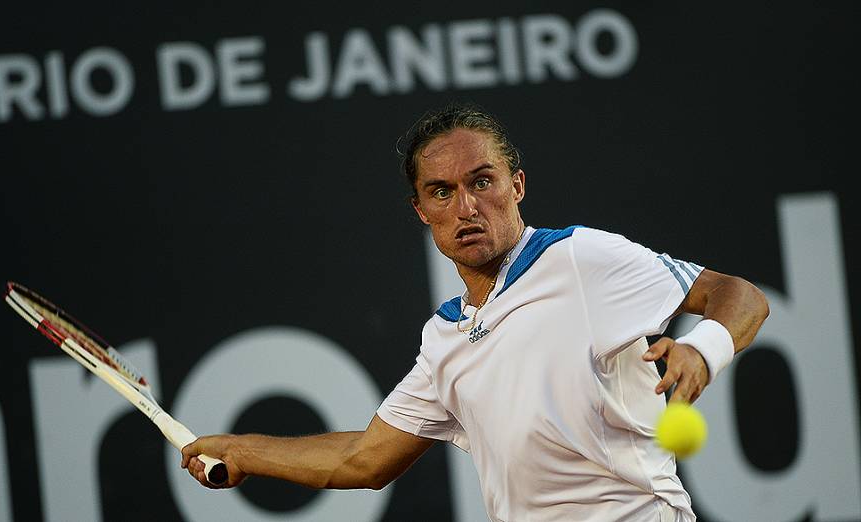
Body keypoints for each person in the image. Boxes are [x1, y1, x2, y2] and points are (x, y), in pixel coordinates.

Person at [181, 104, 769, 521]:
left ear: (516, 185)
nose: (466, 206)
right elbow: (363, 460)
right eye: (441, 192)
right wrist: (243, 451)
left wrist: (703, 348)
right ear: (420, 211)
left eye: (481, 181)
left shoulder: (580, 259)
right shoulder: (446, 339)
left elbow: (738, 295)